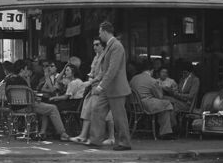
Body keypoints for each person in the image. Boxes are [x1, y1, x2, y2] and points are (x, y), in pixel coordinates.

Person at [88, 21, 132, 151]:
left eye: (100, 32)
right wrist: (98, 82)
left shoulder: (116, 46)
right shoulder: (110, 45)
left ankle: (125, 143)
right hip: (108, 88)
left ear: (105, 32)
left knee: (119, 117)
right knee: (97, 111)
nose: (99, 35)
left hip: (116, 89)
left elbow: (112, 70)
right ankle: (95, 140)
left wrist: (100, 86)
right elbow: (105, 69)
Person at [5, 59, 69, 141]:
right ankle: (62, 133)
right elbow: (30, 95)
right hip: (27, 107)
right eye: (25, 69)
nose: (27, 71)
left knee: (46, 108)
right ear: (22, 70)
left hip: (14, 108)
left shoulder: (9, 80)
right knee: (53, 108)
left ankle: (42, 132)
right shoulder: (22, 80)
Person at [70, 37, 115, 145]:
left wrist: (90, 82)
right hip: (94, 87)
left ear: (103, 46)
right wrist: (90, 79)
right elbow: (93, 72)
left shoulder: (105, 57)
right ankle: (83, 135)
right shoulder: (96, 57)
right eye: (94, 45)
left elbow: (102, 73)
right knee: (88, 110)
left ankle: (110, 137)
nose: (94, 47)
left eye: (97, 44)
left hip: (103, 87)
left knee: (106, 113)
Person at [130, 59, 176, 140]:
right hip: (146, 104)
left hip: (134, 105)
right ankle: (167, 131)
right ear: (151, 71)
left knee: (164, 106)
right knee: (167, 104)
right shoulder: (152, 80)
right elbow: (160, 96)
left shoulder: (134, 78)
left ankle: (166, 130)